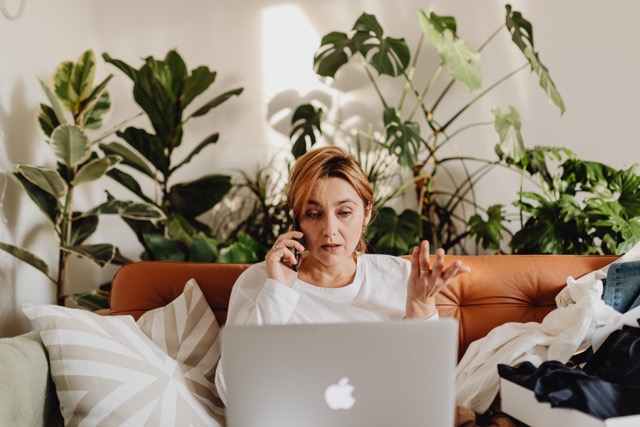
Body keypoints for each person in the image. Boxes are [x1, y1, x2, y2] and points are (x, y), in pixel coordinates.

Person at [214, 145, 470, 403]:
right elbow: (230, 393)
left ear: (366, 214)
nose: (330, 229)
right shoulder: (261, 282)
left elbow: (430, 388)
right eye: (313, 214)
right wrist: (277, 292)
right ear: (296, 220)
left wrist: (420, 306)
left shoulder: (402, 277)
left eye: (344, 212)